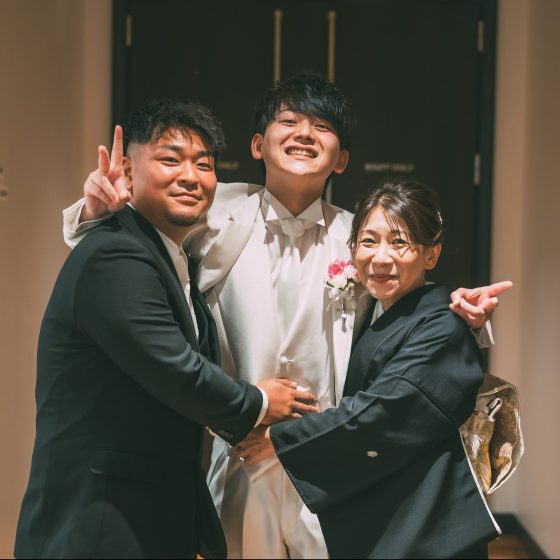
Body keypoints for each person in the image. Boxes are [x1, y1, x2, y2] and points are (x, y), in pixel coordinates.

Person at [62, 74, 509, 558]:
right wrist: (95, 212)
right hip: (241, 449)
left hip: (326, 452)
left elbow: (405, 305)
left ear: (341, 159)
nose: (304, 134)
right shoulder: (213, 210)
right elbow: (141, 244)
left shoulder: (360, 238)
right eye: (289, 121)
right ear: (258, 144)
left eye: (322, 127)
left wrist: (466, 315)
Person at [15, 99, 319, 559]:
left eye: (204, 164)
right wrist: (258, 402)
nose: (190, 177)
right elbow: (175, 369)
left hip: (148, 513)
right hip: (99, 523)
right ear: (128, 171)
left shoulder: (171, 255)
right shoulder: (116, 254)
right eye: (170, 160)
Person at [237, 179, 503, 559]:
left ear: (431, 255)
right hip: (394, 510)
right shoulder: (372, 308)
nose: (380, 257)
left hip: (426, 525)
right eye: (368, 241)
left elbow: (383, 411)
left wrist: (281, 442)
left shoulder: (443, 325)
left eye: (399, 242)